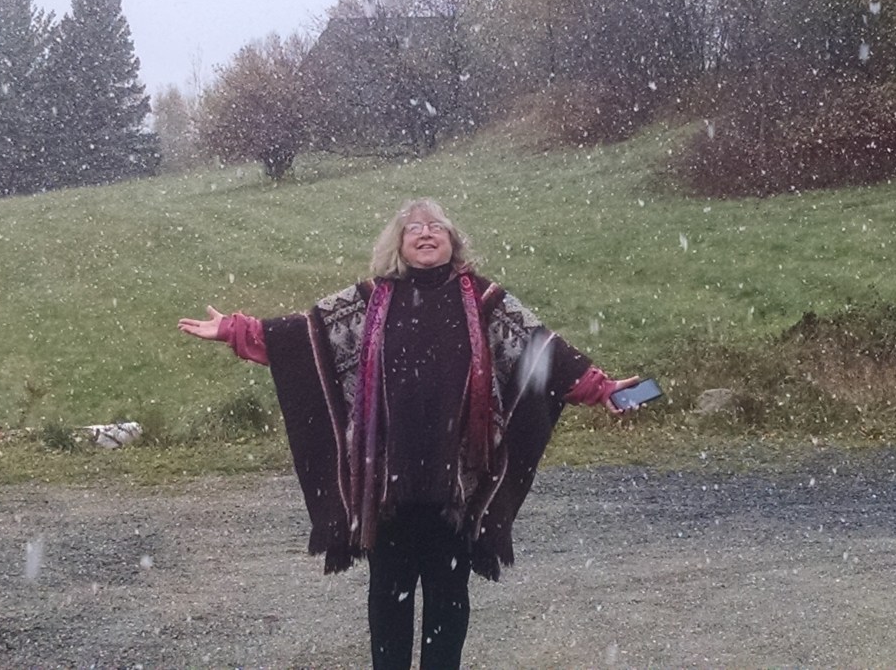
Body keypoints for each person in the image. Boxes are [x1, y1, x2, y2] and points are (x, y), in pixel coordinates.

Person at [178, 198, 640, 669]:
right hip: (387, 488)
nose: (426, 233)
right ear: (397, 244)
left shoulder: (486, 303)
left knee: (448, 596)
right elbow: (305, 336)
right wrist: (236, 330)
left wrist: (602, 388)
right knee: (388, 596)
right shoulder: (368, 301)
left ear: (452, 241)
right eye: (414, 228)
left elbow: (542, 353)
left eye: (436, 226)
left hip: (456, 485)